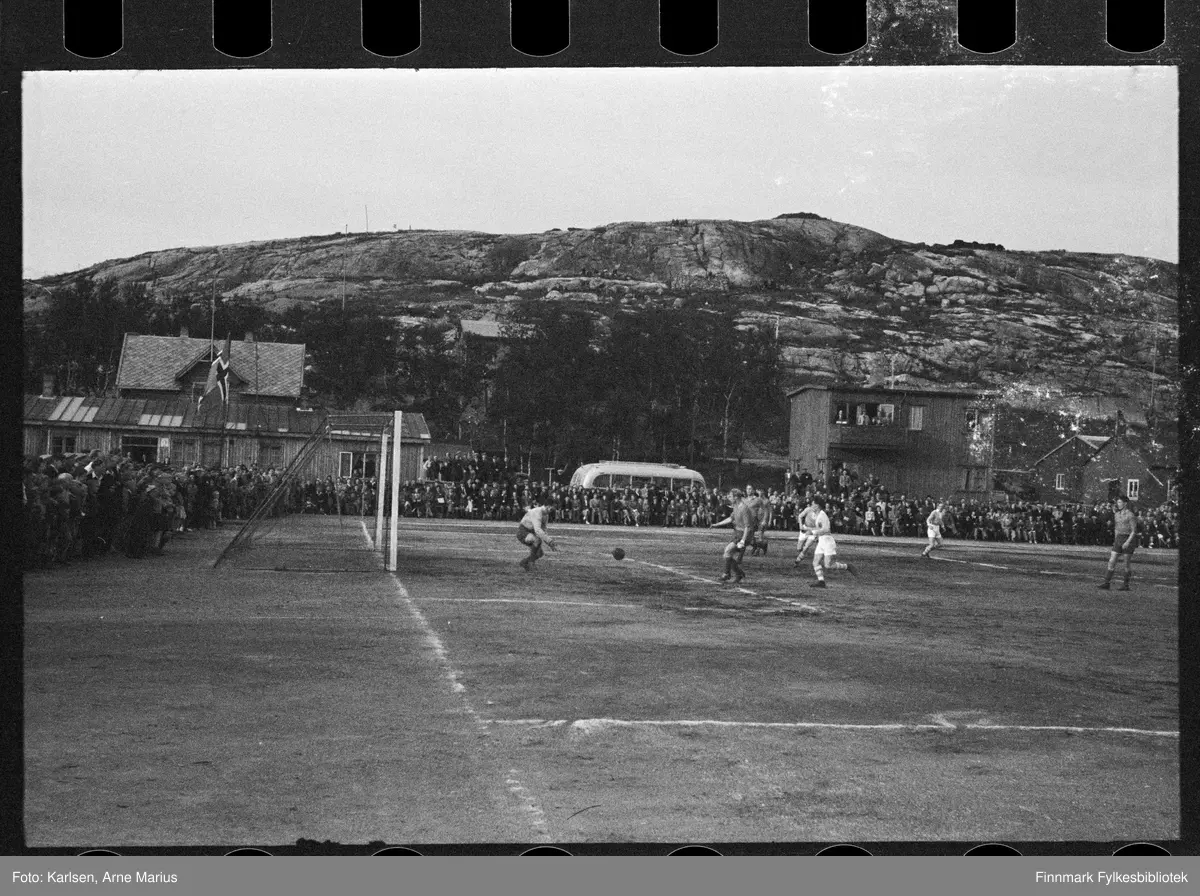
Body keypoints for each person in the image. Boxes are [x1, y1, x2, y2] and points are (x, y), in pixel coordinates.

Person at [808, 497, 856, 588]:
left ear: (817, 506)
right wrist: (816, 535)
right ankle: (821, 581)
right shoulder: (817, 515)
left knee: (828, 565)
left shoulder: (822, 515)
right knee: (815, 562)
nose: (811, 506)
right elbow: (820, 529)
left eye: (812, 504)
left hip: (827, 541)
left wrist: (814, 532)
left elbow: (826, 529)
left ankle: (847, 566)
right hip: (821, 541)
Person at [713, 488, 755, 583]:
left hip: (744, 535)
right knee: (727, 554)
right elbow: (731, 518)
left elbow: (747, 527)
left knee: (727, 551)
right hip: (738, 533)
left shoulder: (744, 508)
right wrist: (717, 524)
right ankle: (737, 573)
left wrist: (743, 541)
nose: (729, 498)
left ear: (736, 497)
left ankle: (728, 574)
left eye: (731, 496)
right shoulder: (736, 505)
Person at [1098, 496, 1138, 591]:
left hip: (1128, 539)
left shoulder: (1130, 515)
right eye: (1118, 502)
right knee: (1112, 560)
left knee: (1126, 564)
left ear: (1125, 503)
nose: (1118, 504)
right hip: (1119, 538)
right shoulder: (1116, 514)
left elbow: (1134, 531)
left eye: (1120, 502)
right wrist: (1116, 540)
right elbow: (1116, 528)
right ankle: (1106, 583)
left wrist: (1127, 542)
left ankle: (1126, 585)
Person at [516, 499, 556, 571]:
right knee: (537, 540)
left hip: (531, 532)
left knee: (539, 554)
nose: (553, 509)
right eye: (553, 507)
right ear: (548, 506)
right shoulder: (537, 512)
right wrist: (549, 541)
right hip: (523, 531)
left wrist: (549, 543)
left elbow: (543, 530)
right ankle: (531, 563)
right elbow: (538, 530)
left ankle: (524, 562)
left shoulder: (545, 515)